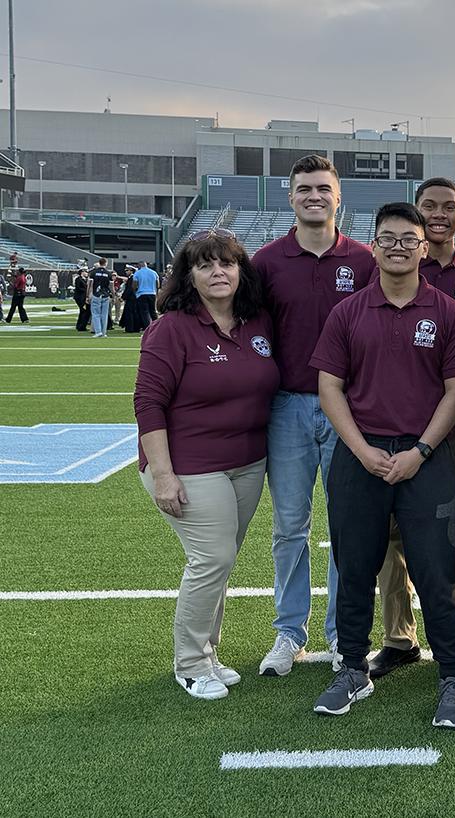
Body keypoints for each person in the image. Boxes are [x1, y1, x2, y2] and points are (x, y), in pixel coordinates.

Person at [309, 202, 455, 727]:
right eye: (388, 238)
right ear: (373, 247)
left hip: (426, 456)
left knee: (435, 570)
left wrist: (420, 452)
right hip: (362, 456)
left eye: (409, 238)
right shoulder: (348, 312)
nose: (398, 245)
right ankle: (352, 668)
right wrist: (361, 450)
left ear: (425, 248)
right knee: (356, 566)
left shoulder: (449, 312)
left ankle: (451, 675)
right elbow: (329, 387)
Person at [133, 228, 280, 700]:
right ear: (188, 276)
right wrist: (162, 475)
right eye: (205, 265)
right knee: (210, 558)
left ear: (240, 270)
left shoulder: (257, 321)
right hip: (189, 464)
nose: (218, 272)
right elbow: (148, 403)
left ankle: (209, 653)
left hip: (247, 461)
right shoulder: (172, 327)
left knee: (221, 561)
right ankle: (191, 663)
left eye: (227, 263)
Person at [253, 154, 376, 677]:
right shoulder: (265, 262)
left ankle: (340, 633)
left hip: (351, 408)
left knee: (347, 525)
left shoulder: (366, 260)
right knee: (289, 525)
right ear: (290, 197)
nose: (314, 196)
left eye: (323, 188)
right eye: (304, 189)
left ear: (338, 195)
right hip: (289, 406)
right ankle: (289, 631)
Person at [369, 178, 455, 684]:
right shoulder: (385, 265)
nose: (438, 214)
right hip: (391, 419)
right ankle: (398, 636)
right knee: (387, 530)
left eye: (449, 207)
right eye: (429, 206)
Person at [87, 258, 113, 337]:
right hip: (105, 295)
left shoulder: (93, 273)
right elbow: (111, 286)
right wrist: (113, 295)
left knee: (95, 314)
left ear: (99, 263)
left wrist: (87, 295)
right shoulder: (109, 273)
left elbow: (90, 285)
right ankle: (104, 332)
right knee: (104, 314)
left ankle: (98, 331)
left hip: (96, 294)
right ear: (106, 263)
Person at [134, 261, 160, 330]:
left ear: (139, 265)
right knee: (153, 311)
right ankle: (157, 327)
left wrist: (135, 291)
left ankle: (148, 328)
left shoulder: (137, 273)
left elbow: (134, 285)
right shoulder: (154, 273)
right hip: (152, 293)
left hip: (142, 294)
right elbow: (157, 284)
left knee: (145, 312)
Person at [73, 265, 90, 332]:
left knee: (82, 311)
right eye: (86, 272)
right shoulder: (78, 279)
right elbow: (79, 288)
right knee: (84, 311)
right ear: (82, 272)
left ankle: (80, 325)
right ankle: (81, 326)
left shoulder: (85, 279)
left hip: (82, 297)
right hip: (80, 297)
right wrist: (87, 289)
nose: (87, 273)